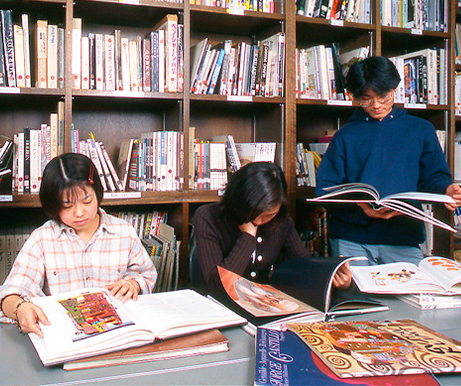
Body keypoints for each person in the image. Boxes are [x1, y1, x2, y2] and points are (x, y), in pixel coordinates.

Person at [0, 152, 157, 336]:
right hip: (65, 335)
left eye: (87, 201)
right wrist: (20, 308)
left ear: (98, 193)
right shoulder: (42, 239)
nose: (79, 213)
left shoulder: (124, 232)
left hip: (117, 333)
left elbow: (146, 275)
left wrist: (133, 284)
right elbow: (7, 295)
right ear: (53, 205)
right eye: (67, 206)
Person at [316, 55, 461, 266]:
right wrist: (361, 206)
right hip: (351, 238)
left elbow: (433, 176)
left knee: (410, 288)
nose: (376, 105)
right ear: (354, 96)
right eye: (366, 99)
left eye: (384, 97)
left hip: (403, 236)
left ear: (395, 89)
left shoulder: (420, 130)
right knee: (355, 288)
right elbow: (325, 189)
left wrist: (447, 190)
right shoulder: (344, 136)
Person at [193, 161, 352, 295]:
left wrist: (335, 279)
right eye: (254, 213)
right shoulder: (208, 217)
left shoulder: (281, 221)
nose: (258, 221)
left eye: (269, 215)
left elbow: (304, 267)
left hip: (264, 305)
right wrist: (248, 236)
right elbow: (217, 287)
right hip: (221, 308)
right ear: (238, 200)